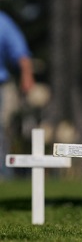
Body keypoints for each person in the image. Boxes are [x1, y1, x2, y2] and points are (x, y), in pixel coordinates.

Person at [0, 10, 35, 178]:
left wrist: (27, 76)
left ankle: (3, 172)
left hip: (1, 85)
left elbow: (20, 52)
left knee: (2, 128)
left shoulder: (3, 22)